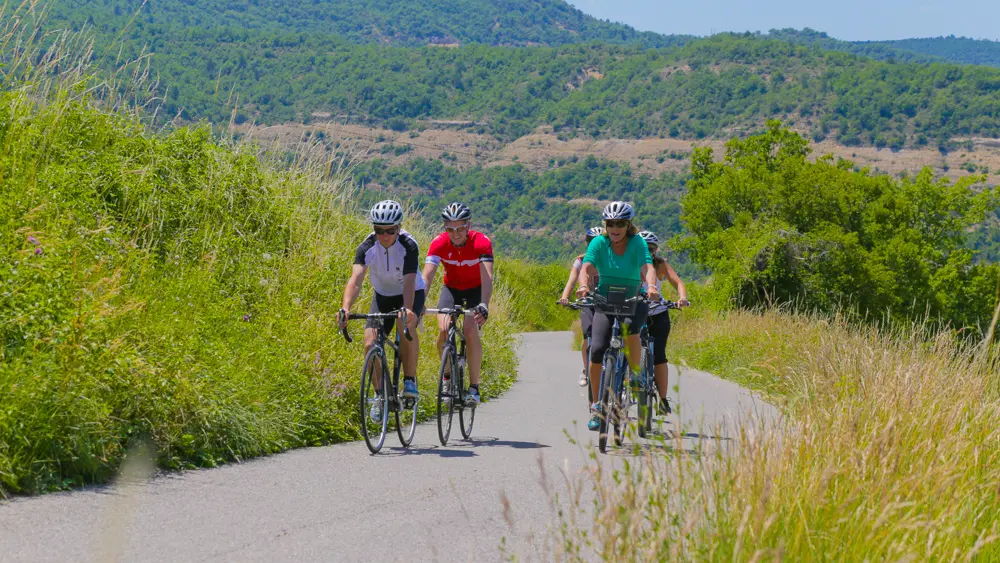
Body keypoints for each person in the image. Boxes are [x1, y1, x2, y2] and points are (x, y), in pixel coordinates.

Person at [576, 201, 660, 431]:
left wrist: (651, 287)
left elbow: (647, 267)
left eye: (620, 224)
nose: (615, 228)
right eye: (611, 223)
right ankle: (596, 405)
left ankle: (634, 375)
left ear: (628, 225)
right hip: (606, 299)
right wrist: (583, 286)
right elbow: (586, 267)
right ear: (606, 225)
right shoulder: (599, 243)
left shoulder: (637, 243)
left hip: (633, 297)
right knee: (597, 349)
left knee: (631, 330)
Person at [339, 200, 425, 423]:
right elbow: (355, 281)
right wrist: (346, 308)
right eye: (379, 230)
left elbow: (408, 283)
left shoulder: (408, 245)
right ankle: (380, 395)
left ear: (398, 228)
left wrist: (407, 311)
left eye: (390, 231)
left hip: (410, 292)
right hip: (383, 296)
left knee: (403, 322)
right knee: (369, 344)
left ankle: (409, 381)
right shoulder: (367, 247)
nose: (384, 235)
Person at [422, 202, 494, 406]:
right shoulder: (438, 243)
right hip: (451, 289)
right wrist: (419, 302)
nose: (455, 233)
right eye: (450, 229)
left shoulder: (481, 242)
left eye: (460, 228)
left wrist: (484, 304)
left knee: (470, 331)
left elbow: (487, 278)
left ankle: (474, 388)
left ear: (468, 225)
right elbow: (426, 277)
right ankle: (446, 376)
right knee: (444, 329)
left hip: (475, 291)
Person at [638, 230, 690, 414]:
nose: (648, 251)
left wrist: (682, 298)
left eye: (651, 248)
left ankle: (662, 399)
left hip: (657, 313)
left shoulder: (660, 264)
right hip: (635, 311)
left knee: (659, 356)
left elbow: (678, 283)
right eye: (644, 247)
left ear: (656, 250)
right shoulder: (629, 261)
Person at [559, 226, 604, 387]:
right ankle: (586, 369)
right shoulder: (580, 260)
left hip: (606, 302)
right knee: (588, 335)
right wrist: (565, 296)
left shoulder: (610, 258)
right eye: (592, 241)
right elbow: (572, 280)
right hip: (588, 302)